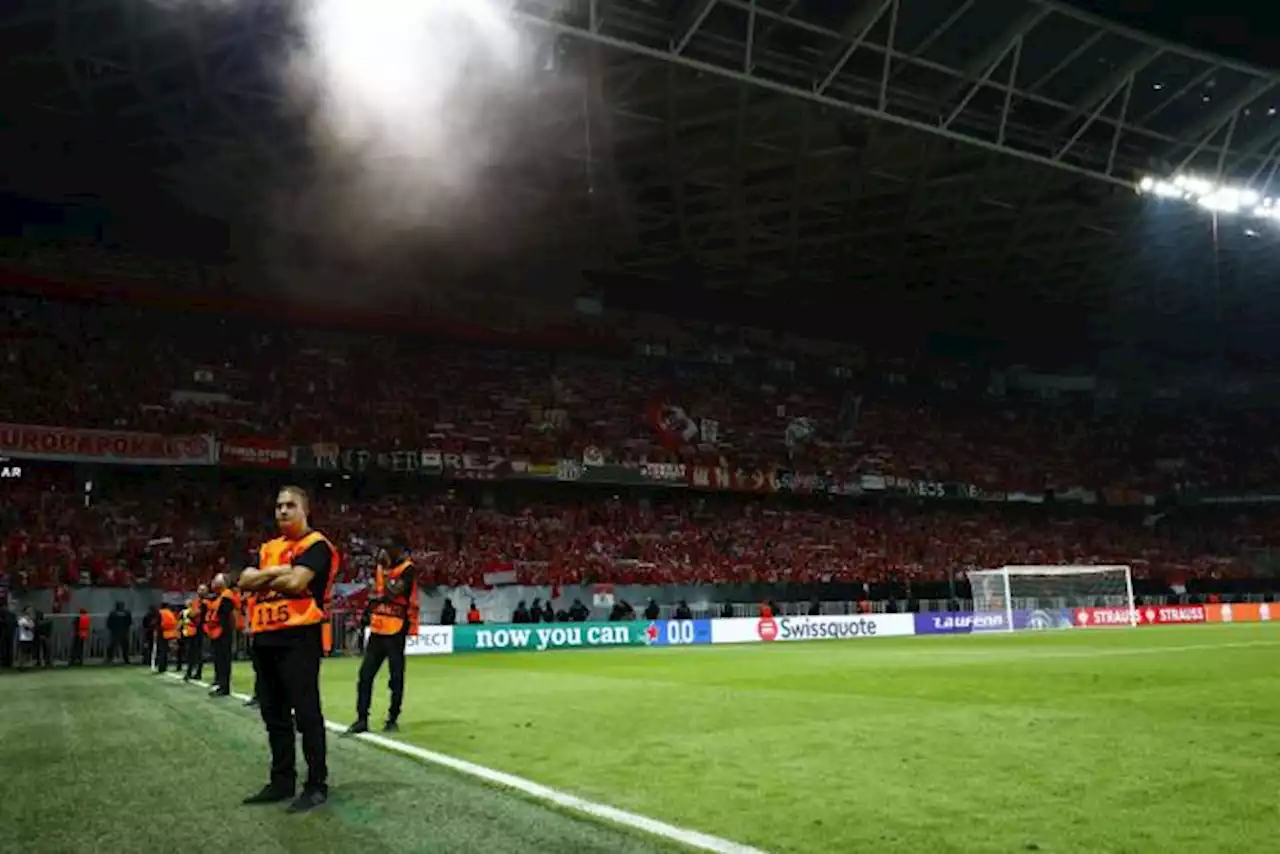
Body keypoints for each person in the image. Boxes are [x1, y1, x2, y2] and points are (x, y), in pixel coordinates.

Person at [237, 486, 339, 813]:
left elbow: (297, 585)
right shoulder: (269, 548)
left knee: (306, 714)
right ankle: (282, 781)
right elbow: (243, 580)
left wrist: (264, 578)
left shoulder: (317, 545)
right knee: (274, 715)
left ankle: (316, 784)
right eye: (279, 506)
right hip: (265, 637)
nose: (282, 511)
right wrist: (280, 571)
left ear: (304, 510)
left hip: (299, 638)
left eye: (290, 506)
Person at [347, 542, 417, 735]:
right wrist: (365, 616)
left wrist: (384, 574)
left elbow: (394, 592)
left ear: (398, 550)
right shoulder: (380, 568)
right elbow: (377, 595)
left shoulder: (407, 569)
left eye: (387, 549)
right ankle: (362, 719)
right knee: (365, 675)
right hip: (378, 629)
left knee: (395, 678)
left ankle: (392, 718)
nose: (383, 553)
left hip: (396, 630)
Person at [204, 574, 238, 697]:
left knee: (223, 659)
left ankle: (223, 686)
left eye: (216, 579)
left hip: (222, 633)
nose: (213, 582)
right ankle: (219, 682)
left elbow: (225, 617)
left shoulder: (226, 596)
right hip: (217, 632)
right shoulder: (220, 596)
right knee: (219, 659)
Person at [155, 604, 179, 672]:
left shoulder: (160, 612)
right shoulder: (170, 613)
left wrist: (156, 630)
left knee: (162, 651)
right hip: (170, 633)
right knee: (165, 651)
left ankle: (161, 667)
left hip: (162, 633)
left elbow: (158, 622)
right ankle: (165, 666)